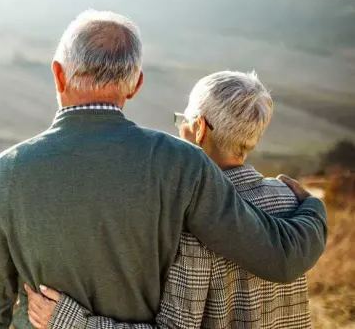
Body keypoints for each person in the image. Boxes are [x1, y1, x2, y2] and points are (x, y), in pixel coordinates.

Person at [0, 10, 328, 328]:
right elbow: (276, 256)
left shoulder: (5, 172)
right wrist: (312, 207)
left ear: (58, 75)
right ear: (136, 84)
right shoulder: (181, 163)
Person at [26, 71, 315, 328]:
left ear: (200, 128)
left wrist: (70, 321)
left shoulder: (193, 219)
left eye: (183, 121)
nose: (179, 129)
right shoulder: (290, 199)